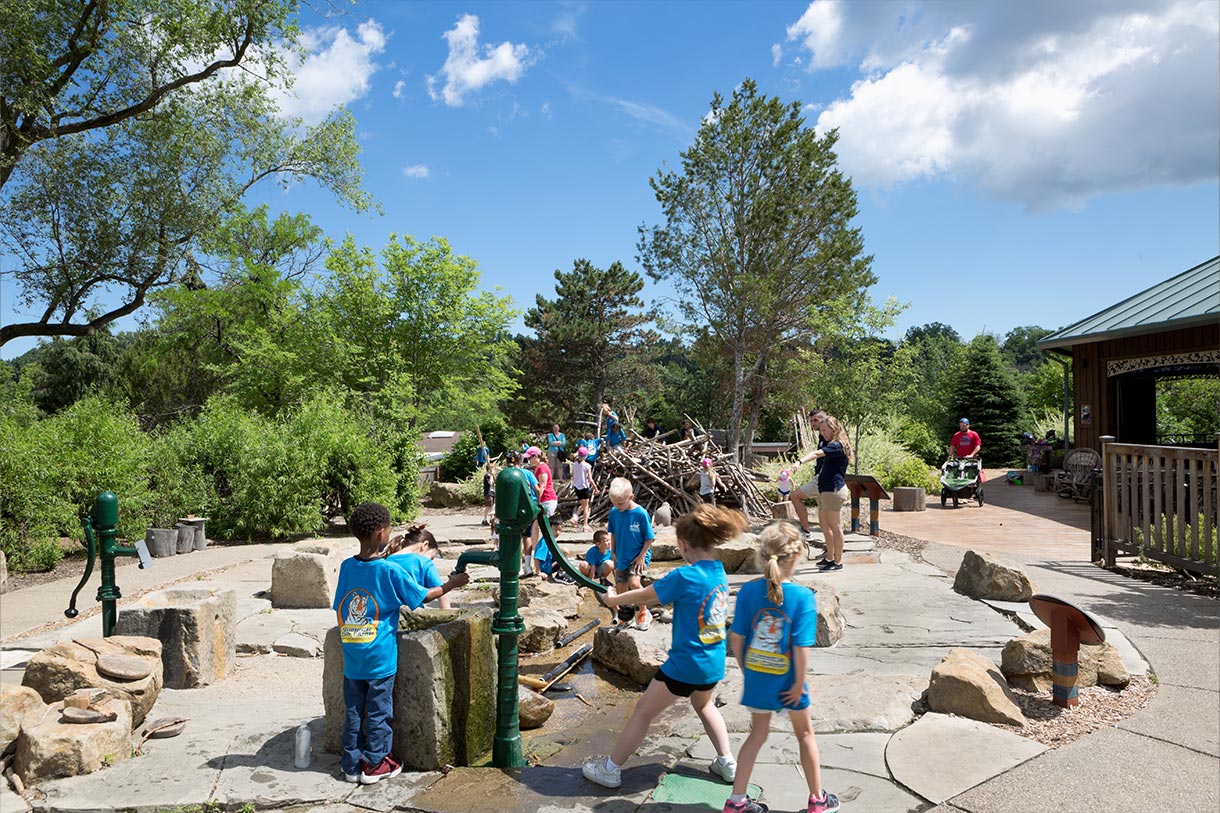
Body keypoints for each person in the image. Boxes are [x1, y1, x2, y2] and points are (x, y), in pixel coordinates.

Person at [583, 504, 744, 790]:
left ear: (682, 545)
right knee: (704, 704)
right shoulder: (717, 571)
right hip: (713, 662)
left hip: (684, 666)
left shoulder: (684, 577)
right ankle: (727, 762)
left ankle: (610, 769)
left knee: (643, 711)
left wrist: (611, 600)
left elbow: (645, 595)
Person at [334, 502, 470, 784]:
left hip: (353, 658)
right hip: (380, 658)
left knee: (353, 712)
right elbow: (423, 596)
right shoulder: (389, 572)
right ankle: (375, 764)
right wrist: (452, 585)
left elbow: (341, 604)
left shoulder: (347, 567)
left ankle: (350, 764)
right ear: (382, 533)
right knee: (379, 713)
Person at [725, 522, 839, 813]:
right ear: (796, 556)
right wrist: (799, 684)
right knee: (805, 734)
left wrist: (746, 669)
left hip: (759, 678)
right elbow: (800, 648)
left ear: (763, 557)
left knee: (757, 735)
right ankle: (818, 801)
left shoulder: (748, 592)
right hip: (790, 682)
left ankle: (736, 801)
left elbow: (736, 637)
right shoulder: (803, 598)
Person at [795, 416, 851, 572]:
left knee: (835, 526)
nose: (823, 433)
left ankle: (838, 562)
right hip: (825, 490)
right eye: (821, 430)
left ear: (834, 429)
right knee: (826, 526)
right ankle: (829, 558)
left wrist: (798, 462)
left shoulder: (837, 445)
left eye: (825, 430)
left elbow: (816, 454)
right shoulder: (831, 444)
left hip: (834, 490)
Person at [606, 477, 656, 630]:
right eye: (614, 503)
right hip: (621, 554)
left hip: (638, 555)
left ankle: (644, 611)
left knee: (634, 583)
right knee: (621, 586)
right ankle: (626, 616)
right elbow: (613, 533)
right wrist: (613, 551)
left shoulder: (640, 514)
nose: (617, 506)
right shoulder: (614, 512)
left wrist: (641, 557)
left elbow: (649, 538)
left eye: (620, 503)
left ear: (631, 497)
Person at [390, 524, 453, 610]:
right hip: (413, 616)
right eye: (431, 557)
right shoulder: (424, 563)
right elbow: (442, 593)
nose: (431, 561)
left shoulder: (388, 560)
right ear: (425, 545)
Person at [790, 408, 828, 538]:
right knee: (825, 519)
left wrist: (799, 462)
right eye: (811, 421)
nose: (813, 423)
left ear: (824, 419)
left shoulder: (830, 437)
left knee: (795, 496)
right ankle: (831, 551)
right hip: (820, 478)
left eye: (816, 420)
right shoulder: (822, 435)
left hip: (824, 479)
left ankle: (806, 531)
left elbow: (817, 454)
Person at [570, 446, 598, 531]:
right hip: (584, 487)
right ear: (586, 456)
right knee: (586, 507)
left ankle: (575, 518)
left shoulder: (574, 465)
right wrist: (595, 487)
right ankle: (585, 525)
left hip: (577, 487)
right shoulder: (587, 466)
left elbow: (573, 476)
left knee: (582, 505)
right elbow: (590, 479)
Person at [481, 461, 496, 526]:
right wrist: (492, 475)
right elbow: (490, 482)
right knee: (488, 506)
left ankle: (491, 519)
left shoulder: (491, 475)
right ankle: (484, 519)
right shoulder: (487, 475)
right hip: (488, 492)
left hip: (492, 492)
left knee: (492, 506)